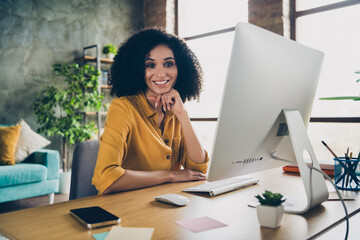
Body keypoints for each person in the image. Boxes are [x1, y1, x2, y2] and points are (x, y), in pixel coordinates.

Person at [92, 28, 209, 194]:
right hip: (125, 206)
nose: (160, 73)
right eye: (150, 65)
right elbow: (106, 178)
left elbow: (198, 169)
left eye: (168, 63)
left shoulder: (175, 110)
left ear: (180, 68)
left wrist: (183, 115)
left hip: (166, 204)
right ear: (138, 69)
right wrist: (171, 176)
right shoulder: (123, 108)